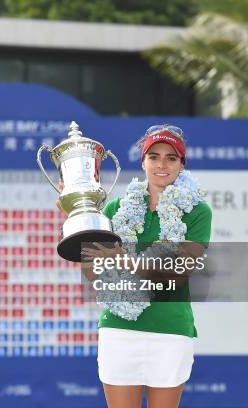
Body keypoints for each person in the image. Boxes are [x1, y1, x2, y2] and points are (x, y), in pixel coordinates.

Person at [60, 124, 212, 408]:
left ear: (182, 165)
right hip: (119, 328)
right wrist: (77, 219)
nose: (162, 164)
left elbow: (177, 273)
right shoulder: (114, 209)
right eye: (154, 156)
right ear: (143, 162)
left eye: (171, 157)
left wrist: (124, 261)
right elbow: (92, 273)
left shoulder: (198, 211)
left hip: (170, 330)